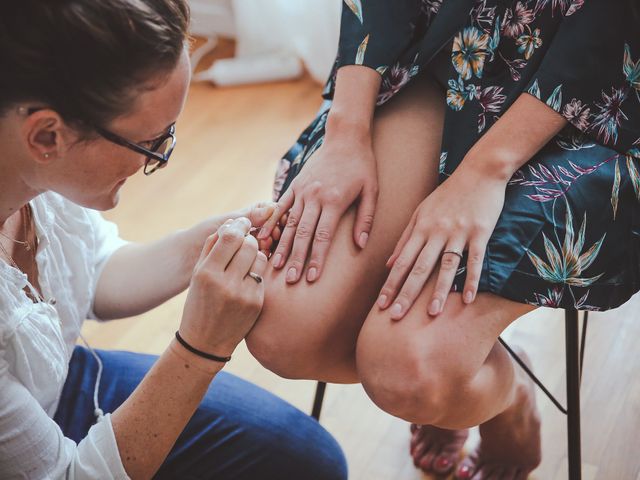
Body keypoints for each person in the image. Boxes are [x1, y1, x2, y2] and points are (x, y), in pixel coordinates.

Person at [250, 0, 640, 478]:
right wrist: (346, 131)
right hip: (443, 53)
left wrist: (485, 170)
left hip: (603, 102)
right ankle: (492, 384)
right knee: (283, 333)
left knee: (411, 373)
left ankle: (504, 398)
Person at [0, 1, 348, 479]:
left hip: (55, 383)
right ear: (46, 136)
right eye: (151, 143)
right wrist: (200, 348)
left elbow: (95, 270)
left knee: (312, 460)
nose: (160, 157)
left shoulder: (31, 170)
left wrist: (210, 243)